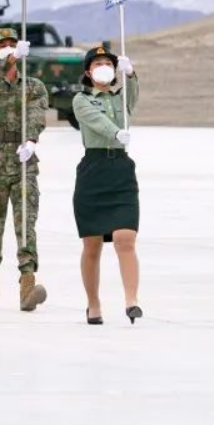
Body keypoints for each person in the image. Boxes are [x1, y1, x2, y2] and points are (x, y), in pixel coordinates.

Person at [0, 28, 49, 311]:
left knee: (26, 222)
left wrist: (30, 141)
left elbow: (36, 114)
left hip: (22, 160)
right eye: (2, 45)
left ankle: (27, 285)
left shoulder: (33, 86)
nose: (7, 48)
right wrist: (10, 59)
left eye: (12, 44)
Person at [72, 44, 142, 325]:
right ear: (88, 72)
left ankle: (131, 301)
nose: (104, 68)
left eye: (109, 64)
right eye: (98, 64)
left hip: (120, 170)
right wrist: (116, 133)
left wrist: (131, 73)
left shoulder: (120, 98)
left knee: (126, 238)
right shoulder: (81, 100)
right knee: (92, 245)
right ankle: (93, 304)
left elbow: (133, 95)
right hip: (94, 170)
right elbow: (96, 121)